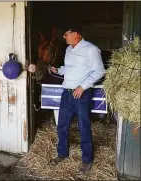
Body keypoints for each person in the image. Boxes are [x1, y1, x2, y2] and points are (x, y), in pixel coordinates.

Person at [49, 27, 105, 175]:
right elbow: (69, 69)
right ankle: (62, 154)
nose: (64, 36)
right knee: (61, 125)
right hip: (66, 94)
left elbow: (100, 71)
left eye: (66, 34)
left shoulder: (91, 49)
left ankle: (86, 161)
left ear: (77, 35)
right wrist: (59, 70)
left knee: (83, 127)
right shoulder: (69, 50)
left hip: (82, 95)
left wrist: (82, 87)